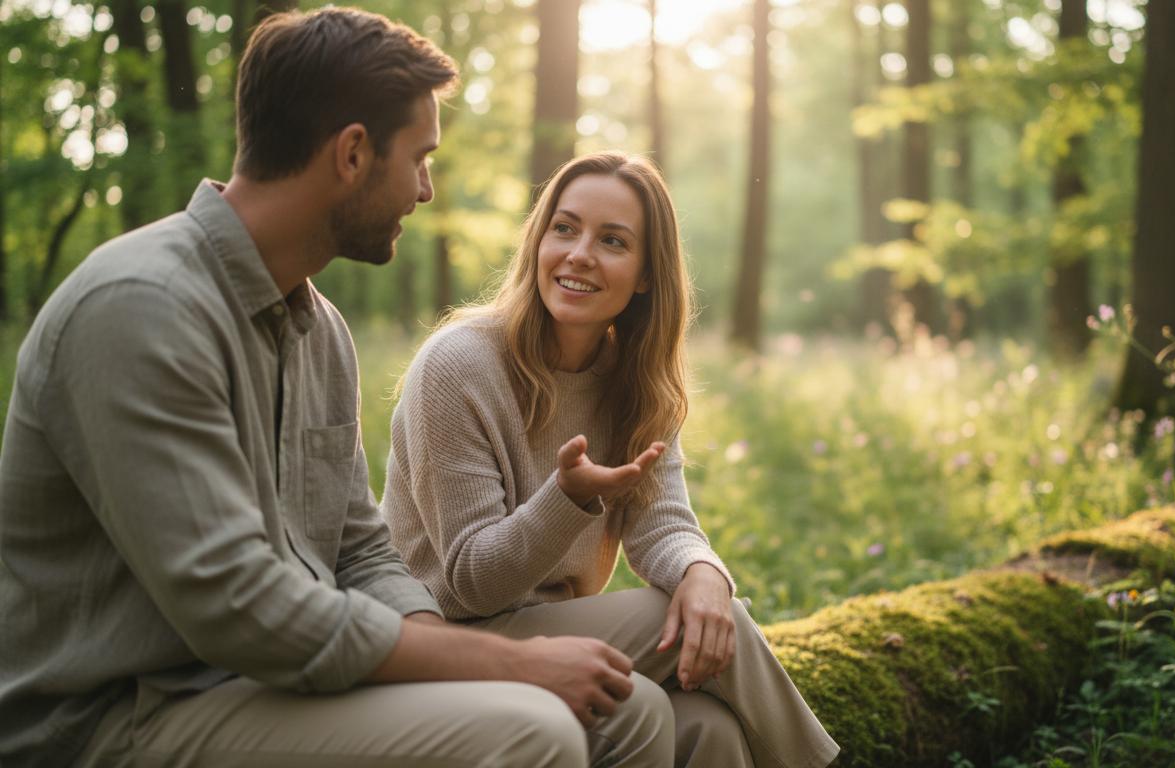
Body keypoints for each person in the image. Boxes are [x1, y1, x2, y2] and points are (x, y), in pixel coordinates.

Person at [0, 10, 676, 768]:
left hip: (264, 686)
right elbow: (238, 606)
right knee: (535, 729)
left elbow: (360, 550)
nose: (426, 190)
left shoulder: (319, 329)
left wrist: (447, 656)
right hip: (120, 716)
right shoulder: (140, 310)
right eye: (419, 159)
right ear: (353, 154)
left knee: (631, 714)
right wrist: (505, 664)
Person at [383, 151, 841, 768]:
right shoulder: (458, 366)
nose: (579, 254)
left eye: (613, 240)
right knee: (702, 622)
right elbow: (472, 581)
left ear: (647, 274)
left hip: (549, 626)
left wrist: (704, 571)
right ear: (538, 241)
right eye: (564, 228)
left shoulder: (637, 381)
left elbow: (664, 526)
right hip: (442, 638)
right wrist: (567, 498)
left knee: (708, 729)